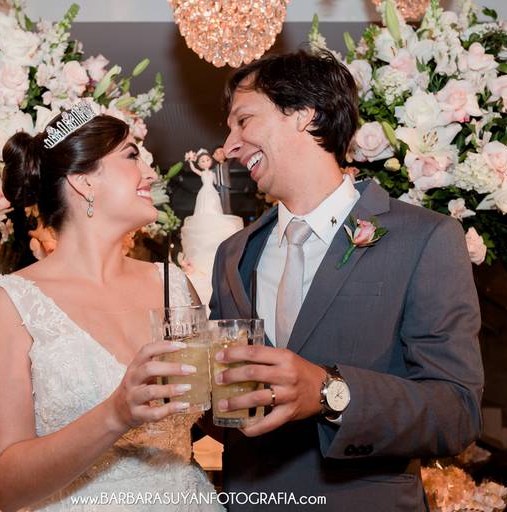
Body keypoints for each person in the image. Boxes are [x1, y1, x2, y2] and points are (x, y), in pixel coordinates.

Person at [208, 50, 484, 511]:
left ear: (304, 113)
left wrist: (329, 393)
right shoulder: (233, 254)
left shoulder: (426, 239)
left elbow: (457, 412)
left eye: (244, 121)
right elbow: (226, 405)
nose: (228, 146)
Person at [0, 103, 222, 512]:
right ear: (83, 181)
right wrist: (115, 415)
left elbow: (203, 414)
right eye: (132, 156)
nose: (151, 174)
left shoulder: (174, 286)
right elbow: (7, 487)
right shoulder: (8, 306)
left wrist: (242, 391)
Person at [187, 148, 223, 215]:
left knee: (213, 202)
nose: (206, 162)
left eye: (207, 160)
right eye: (203, 161)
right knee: (204, 202)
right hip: (204, 190)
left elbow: (216, 182)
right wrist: (190, 161)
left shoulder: (213, 173)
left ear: (211, 161)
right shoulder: (202, 173)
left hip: (212, 190)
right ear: (199, 164)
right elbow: (194, 169)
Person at [212, 145, 233, 214]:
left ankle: (227, 212)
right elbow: (211, 173)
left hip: (225, 185)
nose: (219, 154)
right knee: (219, 199)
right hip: (218, 186)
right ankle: (220, 212)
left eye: (221, 152)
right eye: (216, 153)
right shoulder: (215, 167)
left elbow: (232, 157)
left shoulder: (227, 164)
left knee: (226, 199)